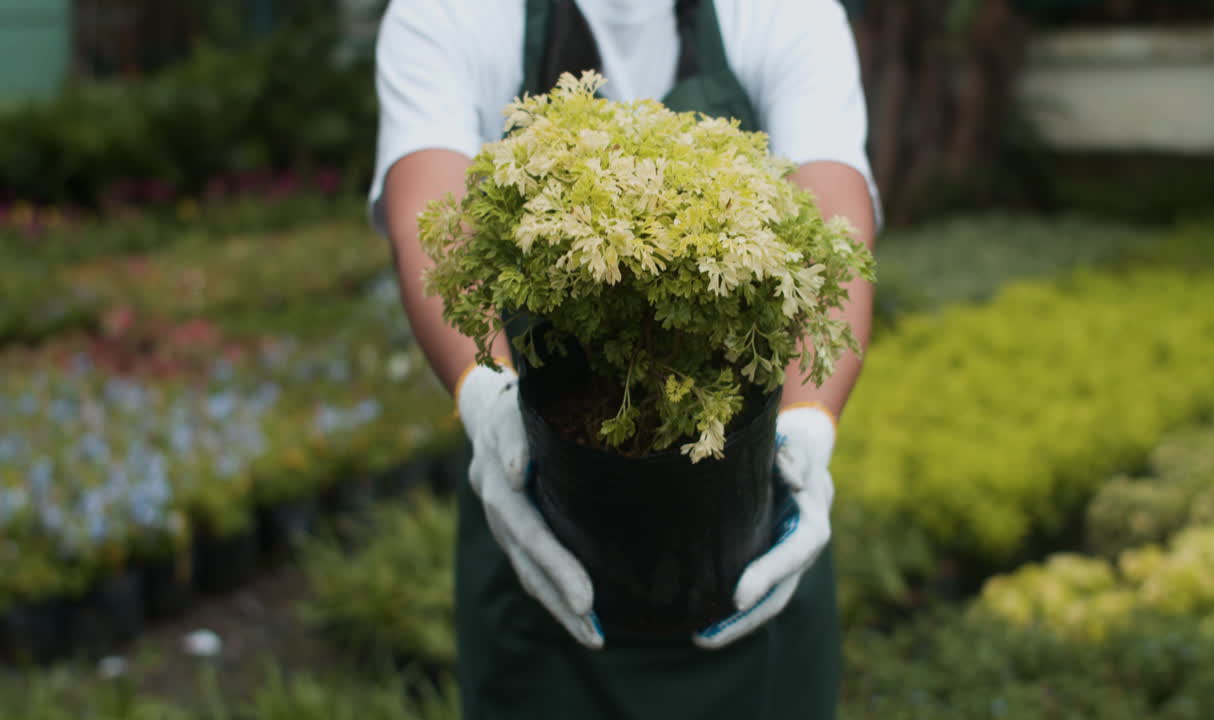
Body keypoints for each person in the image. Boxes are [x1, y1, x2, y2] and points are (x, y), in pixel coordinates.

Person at [369, 0, 880, 717]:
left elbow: (833, 213)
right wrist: (485, 397)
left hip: (753, 548)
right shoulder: (450, 11)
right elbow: (433, 216)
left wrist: (807, 420)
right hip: (537, 534)